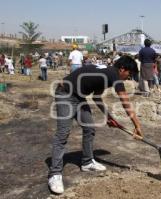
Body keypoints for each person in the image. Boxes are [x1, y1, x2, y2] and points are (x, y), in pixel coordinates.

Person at [48, 56, 143, 194]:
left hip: (78, 97)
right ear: (122, 69)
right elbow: (125, 101)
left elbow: (96, 97)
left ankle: (87, 162)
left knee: (89, 128)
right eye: (129, 74)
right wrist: (137, 125)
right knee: (63, 133)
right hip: (65, 94)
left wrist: (108, 117)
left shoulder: (108, 73)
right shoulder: (114, 75)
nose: (128, 78)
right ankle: (55, 174)